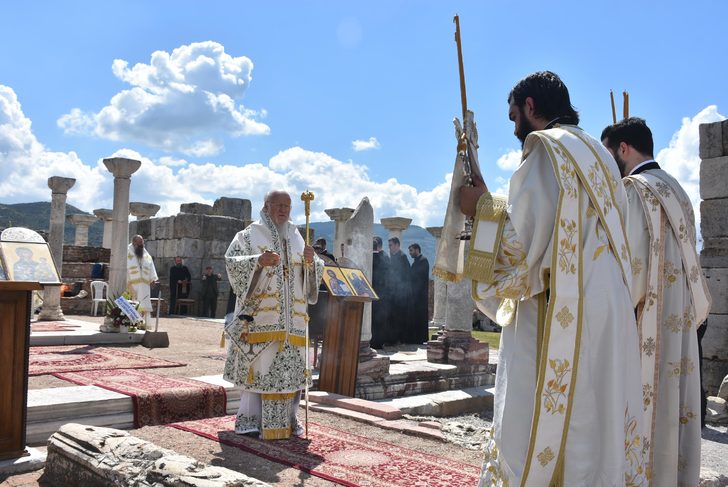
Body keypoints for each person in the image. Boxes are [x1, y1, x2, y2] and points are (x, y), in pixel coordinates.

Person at [458, 71, 645, 485]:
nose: (514, 128)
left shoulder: (544, 148)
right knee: (596, 416)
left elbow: (523, 249)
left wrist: (480, 209)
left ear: (529, 106)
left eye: (513, 117)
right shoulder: (598, 151)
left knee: (542, 419)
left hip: (563, 304)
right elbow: (560, 226)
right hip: (608, 303)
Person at [602, 117, 711, 486]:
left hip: (646, 317)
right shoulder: (677, 191)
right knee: (673, 406)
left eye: (608, 152)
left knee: (644, 411)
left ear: (623, 149)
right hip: (678, 317)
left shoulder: (635, 190)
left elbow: (628, 269)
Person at [224, 190, 324, 440]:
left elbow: (309, 275)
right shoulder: (248, 235)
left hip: (294, 322)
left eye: (287, 206)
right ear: (266, 205)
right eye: (278, 205)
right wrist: (258, 261)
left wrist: (314, 262)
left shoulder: (297, 235)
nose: (283, 210)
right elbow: (233, 263)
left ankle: (289, 421)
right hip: (261, 320)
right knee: (260, 369)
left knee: (290, 374)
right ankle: (250, 422)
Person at [126, 235, 158, 330]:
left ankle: (143, 324)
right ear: (134, 242)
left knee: (144, 304)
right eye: (140, 243)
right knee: (133, 303)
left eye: (142, 243)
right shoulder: (127, 251)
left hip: (144, 284)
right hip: (132, 283)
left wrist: (152, 279)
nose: (142, 245)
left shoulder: (145, 253)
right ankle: (132, 323)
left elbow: (150, 264)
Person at [387, 236, 412, 344]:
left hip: (401, 293)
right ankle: (393, 338)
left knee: (400, 317)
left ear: (397, 245)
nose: (389, 248)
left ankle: (399, 338)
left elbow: (406, 276)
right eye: (389, 246)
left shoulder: (402, 257)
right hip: (394, 293)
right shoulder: (393, 257)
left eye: (391, 245)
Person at [370, 236, 391, 348]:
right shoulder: (385, 258)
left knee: (372, 318)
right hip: (383, 294)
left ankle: (372, 341)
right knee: (381, 319)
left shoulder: (369, 259)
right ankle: (379, 341)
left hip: (371, 293)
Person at [407, 243, 430, 344]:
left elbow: (418, 277)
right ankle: (416, 338)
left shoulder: (423, 261)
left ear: (417, 250)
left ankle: (420, 338)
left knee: (420, 317)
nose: (410, 253)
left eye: (411, 250)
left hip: (420, 295)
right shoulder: (416, 262)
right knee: (415, 317)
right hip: (416, 295)